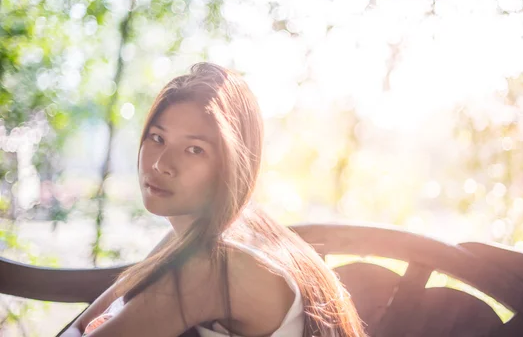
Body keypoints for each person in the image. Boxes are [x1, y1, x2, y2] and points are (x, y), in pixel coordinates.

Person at [59, 62, 366, 337]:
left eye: (194, 149)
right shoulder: (201, 234)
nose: (161, 163)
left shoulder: (216, 263)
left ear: (233, 165)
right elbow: (83, 324)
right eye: (157, 138)